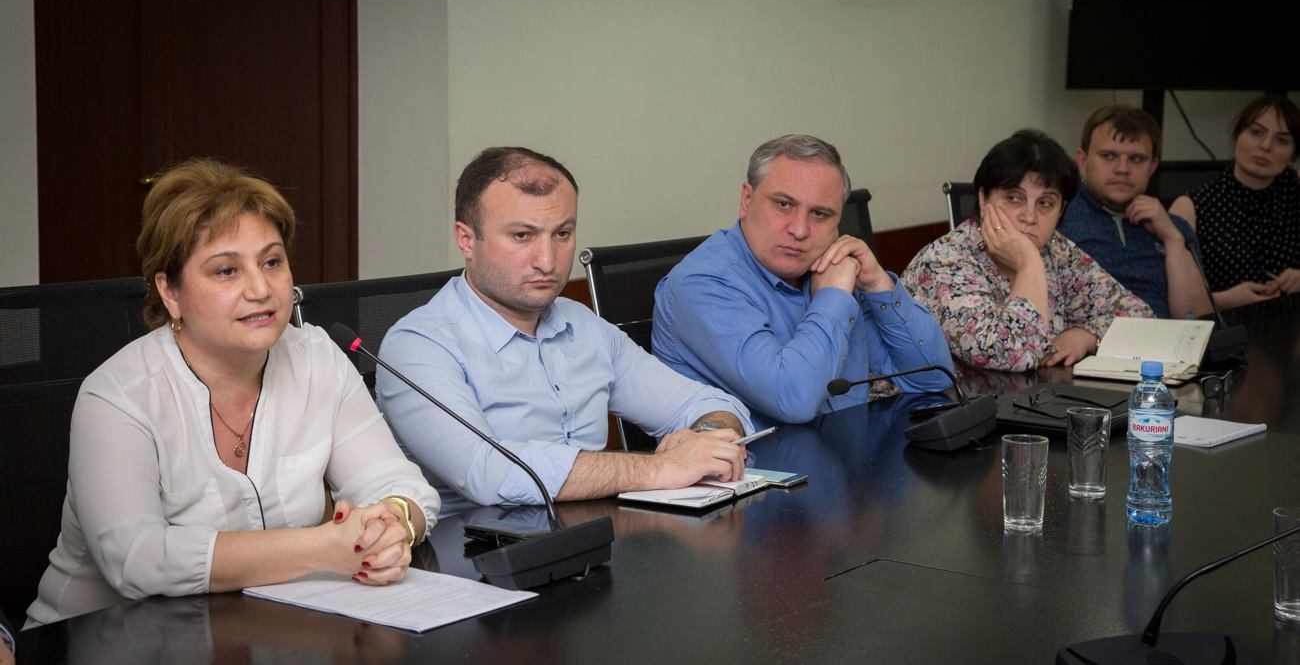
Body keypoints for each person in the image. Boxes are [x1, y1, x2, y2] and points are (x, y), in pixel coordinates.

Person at [26, 159, 439, 627]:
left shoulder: (318, 358)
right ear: (170, 293)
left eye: (272, 262)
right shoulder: (117, 396)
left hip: (260, 632)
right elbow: (137, 559)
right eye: (226, 271)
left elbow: (402, 487)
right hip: (100, 639)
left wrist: (390, 528)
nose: (260, 289)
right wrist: (325, 547)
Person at [377, 147, 754, 517]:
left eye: (562, 233)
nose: (547, 261)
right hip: (478, 548)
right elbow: (488, 473)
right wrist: (661, 468)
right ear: (466, 239)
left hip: (594, 538)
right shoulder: (418, 346)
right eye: (522, 235)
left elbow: (705, 403)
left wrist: (706, 438)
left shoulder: (583, 325)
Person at [653, 134, 954, 426]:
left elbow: (933, 380)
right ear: (746, 199)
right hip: (759, 460)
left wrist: (877, 284)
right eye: (783, 205)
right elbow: (792, 398)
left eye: (820, 214)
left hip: (848, 450)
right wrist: (832, 298)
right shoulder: (700, 284)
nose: (799, 230)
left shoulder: (832, 269)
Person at [902, 129, 1152, 372]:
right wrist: (1029, 263)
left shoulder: (1057, 250)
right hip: (931, 401)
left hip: (1030, 395)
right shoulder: (944, 262)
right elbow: (1014, 355)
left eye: (1045, 203)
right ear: (983, 199)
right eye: (1014, 198)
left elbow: (1140, 315)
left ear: (1061, 210)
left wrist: (1087, 336)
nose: (1030, 216)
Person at [1058, 105, 1210, 319]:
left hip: (1165, 337)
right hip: (1089, 337)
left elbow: (1194, 320)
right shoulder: (1056, 218)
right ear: (1083, 161)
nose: (1123, 169)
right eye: (1108, 156)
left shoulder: (1176, 229)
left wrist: (1173, 239)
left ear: (1152, 167)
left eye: (1136, 159)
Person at [1170, 95, 1300, 309]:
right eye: (1256, 132)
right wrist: (1224, 300)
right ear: (1236, 136)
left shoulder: (1294, 192)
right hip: (1223, 324)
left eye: (1282, 140)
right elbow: (1169, 298)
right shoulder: (1191, 206)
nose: (1266, 146)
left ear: (1293, 154)